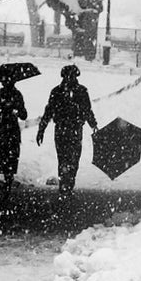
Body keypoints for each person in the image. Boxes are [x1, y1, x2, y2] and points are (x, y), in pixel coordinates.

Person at [36, 61, 93, 194]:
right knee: (70, 157)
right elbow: (49, 111)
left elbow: (49, 111)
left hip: (65, 129)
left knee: (66, 157)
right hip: (71, 129)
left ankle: (66, 181)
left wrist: (42, 129)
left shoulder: (64, 91)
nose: (70, 79)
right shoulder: (72, 91)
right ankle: (67, 181)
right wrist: (41, 129)